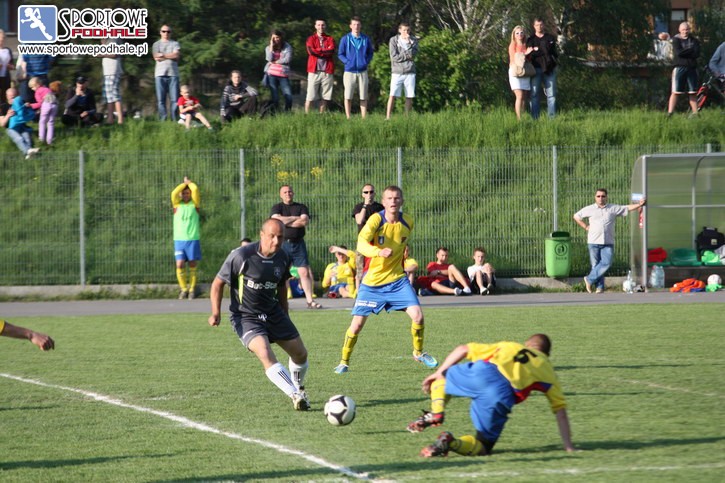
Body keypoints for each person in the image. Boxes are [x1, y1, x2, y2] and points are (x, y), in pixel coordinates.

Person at [407, 334, 574, 458]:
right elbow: (560, 411)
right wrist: (568, 446)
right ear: (546, 353)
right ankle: (451, 442)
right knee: (483, 445)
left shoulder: (510, 346)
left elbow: (463, 349)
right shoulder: (547, 369)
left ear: (527, 344)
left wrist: (438, 372)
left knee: (443, 378)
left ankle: (436, 412)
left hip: (483, 373)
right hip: (502, 394)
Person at [208, 218, 311, 411]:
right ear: (262, 235)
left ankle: (299, 387)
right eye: (272, 236)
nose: (276, 241)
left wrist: (285, 313)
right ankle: (295, 395)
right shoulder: (241, 256)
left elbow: (281, 286)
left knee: (300, 354)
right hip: (246, 316)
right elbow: (217, 284)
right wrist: (216, 312)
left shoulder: (283, 257)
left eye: (280, 237)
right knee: (264, 352)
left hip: (273, 313)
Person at [334, 185, 438, 374]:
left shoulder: (408, 222)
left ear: (402, 201)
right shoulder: (376, 219)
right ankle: (344, 361)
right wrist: (378, 252)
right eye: (389, 198)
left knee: (418, 316)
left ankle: (418, 353)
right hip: (372, 283)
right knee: (356, 326)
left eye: (396, 198)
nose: (393, 201)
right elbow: (361, 244)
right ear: (383, 202)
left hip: (398, 281)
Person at [573, 188, 646, 293]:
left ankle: (589, 279)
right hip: (593, 241)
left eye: (603, 196)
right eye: (598, 196)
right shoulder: (589, 209)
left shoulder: (612, 208)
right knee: (595, 266)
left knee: (607, 263)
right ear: (595, 197)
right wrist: (585, 226)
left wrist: (639, 205)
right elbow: (576, 216)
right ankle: (599, 287)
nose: (600, 198)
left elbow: (626, 208)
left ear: (606, 197)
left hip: (607, 242)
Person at [270, 185, 321, 309]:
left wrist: (285, 221)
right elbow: (276, 221)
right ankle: (278, 300)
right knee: (280, 272)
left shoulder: (301, 207)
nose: (288, 194)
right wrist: (294, 218)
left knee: (304, 272)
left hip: (298, 244)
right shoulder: (277, 207)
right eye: (285, 192)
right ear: (280, 194)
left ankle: (310, 301)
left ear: (293, 193)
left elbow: (304, 221)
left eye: (290, 191)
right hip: (282, 244)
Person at [338, 16, 374, 119]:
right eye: (354, 24)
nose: (356, 26)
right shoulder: (345, 39)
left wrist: (365, 62)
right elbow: (340, 54)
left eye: (358, 24)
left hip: (362, 71)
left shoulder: (365, 39)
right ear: (350, 26)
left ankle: (364, 118)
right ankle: (348, 117)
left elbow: (370, 53)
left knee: (363, 96)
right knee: (348, 95)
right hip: (349, 71)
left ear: (360, 26)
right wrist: (347, 62)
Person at [172, 177, 202, 300]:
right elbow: (174, 193)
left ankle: (192, 289)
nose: (185, 195)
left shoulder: (194, 205)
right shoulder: (176, 205)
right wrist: (183, 184)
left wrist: (190, 184)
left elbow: (195, 190)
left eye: (187, 193)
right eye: (183, 193)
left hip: (192, 239)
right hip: (179, 240)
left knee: (192, 264)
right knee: (179, 264)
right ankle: (183, 289)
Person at [352, 183, 384, 292]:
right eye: (366, 192)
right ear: (362, 194)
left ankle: (376, 291)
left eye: (371, 192)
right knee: (360, 268)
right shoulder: (359, 207)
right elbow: (359, 220)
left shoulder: (380, 207)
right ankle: (359, 293)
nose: (369, 194)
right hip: (363, 242)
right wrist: (365, 206)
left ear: (374, 193)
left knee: (377, 267)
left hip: (377, 242)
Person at [526, 18, 558, 119]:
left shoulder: (550, 38)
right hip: (535, 69)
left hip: (549, 69)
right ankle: (535, 118)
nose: (539, 27)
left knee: (551, 94)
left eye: (541, 25)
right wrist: (541, 50)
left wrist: (537, 50)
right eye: (537, 25)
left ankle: (552, 118)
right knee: (534, 94)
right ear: (534, 26)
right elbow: (530, 54)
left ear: (544, 25)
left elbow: (552, 52)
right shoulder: (531, 39)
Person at [386, 22, 419, 120]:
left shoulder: (413, 40)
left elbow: (414, 54)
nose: (406, 32)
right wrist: (407, 55)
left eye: (408, 30)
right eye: (404, 30)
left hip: (410, 72)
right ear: (399, 30)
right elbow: (394, 57)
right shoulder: (393, 40)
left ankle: (406, 118)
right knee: (392, 94)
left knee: (409, 96)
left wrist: (408, 43)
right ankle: (388, 117)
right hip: (397, 72)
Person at [667, 22, 700, 116]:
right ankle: (670, 113)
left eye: (687, 29)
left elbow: (697, 53)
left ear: (689, 30)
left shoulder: (694, 40)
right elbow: (679, 53)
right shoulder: (676, 40)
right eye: (683, 30)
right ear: (679, 30)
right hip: (679, 68)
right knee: (676, 92)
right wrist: (691, 50)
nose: (685, 31)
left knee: (693, 92)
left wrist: (685, 52)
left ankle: (696, 114)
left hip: (692, 69)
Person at [305, 19, 336, 114]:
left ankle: (321, 115)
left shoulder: (330, 39)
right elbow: (311, 51)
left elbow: (331, 51)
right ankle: (306, 115)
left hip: (327, 71)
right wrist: (324, 51)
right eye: (318, 25)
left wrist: (318, 50)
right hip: (314, 71)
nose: (321, 27)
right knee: (310, 95)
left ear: (325, 26)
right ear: (315, 26)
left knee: (325, 96)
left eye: (322, 25)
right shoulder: (311, 39)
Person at [2, 87, 40, 159]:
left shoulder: (21, 102)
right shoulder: (4, 106)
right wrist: (8, 115)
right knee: (19, 138)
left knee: (27, 137)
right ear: (7, 96)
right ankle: (28, 151)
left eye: (14, 97)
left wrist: (28, 106)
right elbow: (2, 124)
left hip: (22, 126)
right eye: (11, 97)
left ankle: (29, 155)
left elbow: (28, 114)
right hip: (10, 128)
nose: (13, 99)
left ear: (18, 95)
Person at [152, 25, 180, 121]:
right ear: (160, 32)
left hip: (173, 74)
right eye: (164, 31)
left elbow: (176, 55)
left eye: (168, 31)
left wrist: (163, 55)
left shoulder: (175, 43)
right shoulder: (156, 44)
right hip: (160, 74)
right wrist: (170, 55)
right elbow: (156, 57)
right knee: (161, 100)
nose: (166, 33)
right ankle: (162, 120)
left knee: (175, 99)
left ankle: (174, 120)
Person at [508, 26, 533, 121]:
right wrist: (525, 53)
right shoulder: (513, 45)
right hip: (515, 71)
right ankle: (519, 119)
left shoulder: (525, 44)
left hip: (525, 71)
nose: (519, 35)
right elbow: (515, 57)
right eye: (517, 33)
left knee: (524, 96)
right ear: (514, 35)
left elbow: (529, 59)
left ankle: (523, 115)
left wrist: (531, 52)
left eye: (521, 33)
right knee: (519, 95)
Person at [264, 30, 293, 112]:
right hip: (271, 74)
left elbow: (287, 59)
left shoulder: (287, 46)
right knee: (275, 98)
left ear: (280, 37)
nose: (276, 39)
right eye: (273, 38)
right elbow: (269, 59)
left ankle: (287, 113)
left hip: (283, 74)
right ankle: (274, 114)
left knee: (288, 96)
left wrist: (276, 62)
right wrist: (271, 47)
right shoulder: (268, 48)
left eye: (277, 37)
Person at [27, 76, 57, 146]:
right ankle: (50, 140)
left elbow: (40, 103)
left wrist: (31, 105)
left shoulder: (37, 92)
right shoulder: (47, 89)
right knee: (51, 123)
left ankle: (41, 139)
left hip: (46, 104)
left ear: (37, 85)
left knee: (42, 122)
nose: (32, 89)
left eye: (32, 87)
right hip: (54, 104)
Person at [101, 37, 123, 125]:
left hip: (112, 70)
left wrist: (101, 54)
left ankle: (119, 119)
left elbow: (114, 54)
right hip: (107, 71)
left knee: (114, 95)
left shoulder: (113, 39)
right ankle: (110, 119)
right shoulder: (106, 41)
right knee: (109, 95)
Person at [0, 30, 14, 106]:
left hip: (6, 77)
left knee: (5, 96)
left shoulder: (8, 50)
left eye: (3, 38)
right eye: (0, 38)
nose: (1, 40)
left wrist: (10, 66)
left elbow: (12, 64)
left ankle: (5, 110)